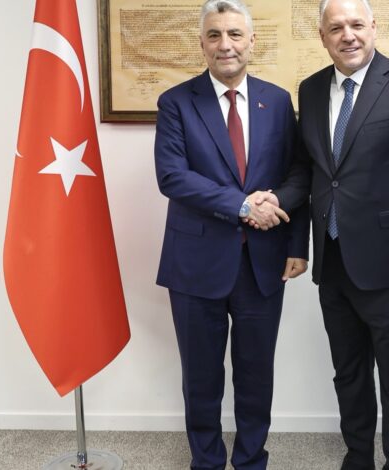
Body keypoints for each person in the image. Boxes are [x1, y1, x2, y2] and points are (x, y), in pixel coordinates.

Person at [255, 0, 389, 468]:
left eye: (357, 25)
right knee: (348, 372)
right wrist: (278, 208)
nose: (348, 35)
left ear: (374, 28)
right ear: (322, 36)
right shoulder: (311, 89)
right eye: (336, 27)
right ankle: (358, 456)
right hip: (334, 262)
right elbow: (308, 171)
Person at [154, 1, 309, 468]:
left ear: (251, 42)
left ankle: (250, 460)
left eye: (235, 34)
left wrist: (294, 240)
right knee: (201, 378)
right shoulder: (176, 102)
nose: (226, 45)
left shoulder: (277, 101)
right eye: (215, 35)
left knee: (256, 375)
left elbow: (299, 173)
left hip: (263, 263)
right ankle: (206, 461)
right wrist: (244, 206)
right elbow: (172, 177)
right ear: (201, 44)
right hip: (195, 264)